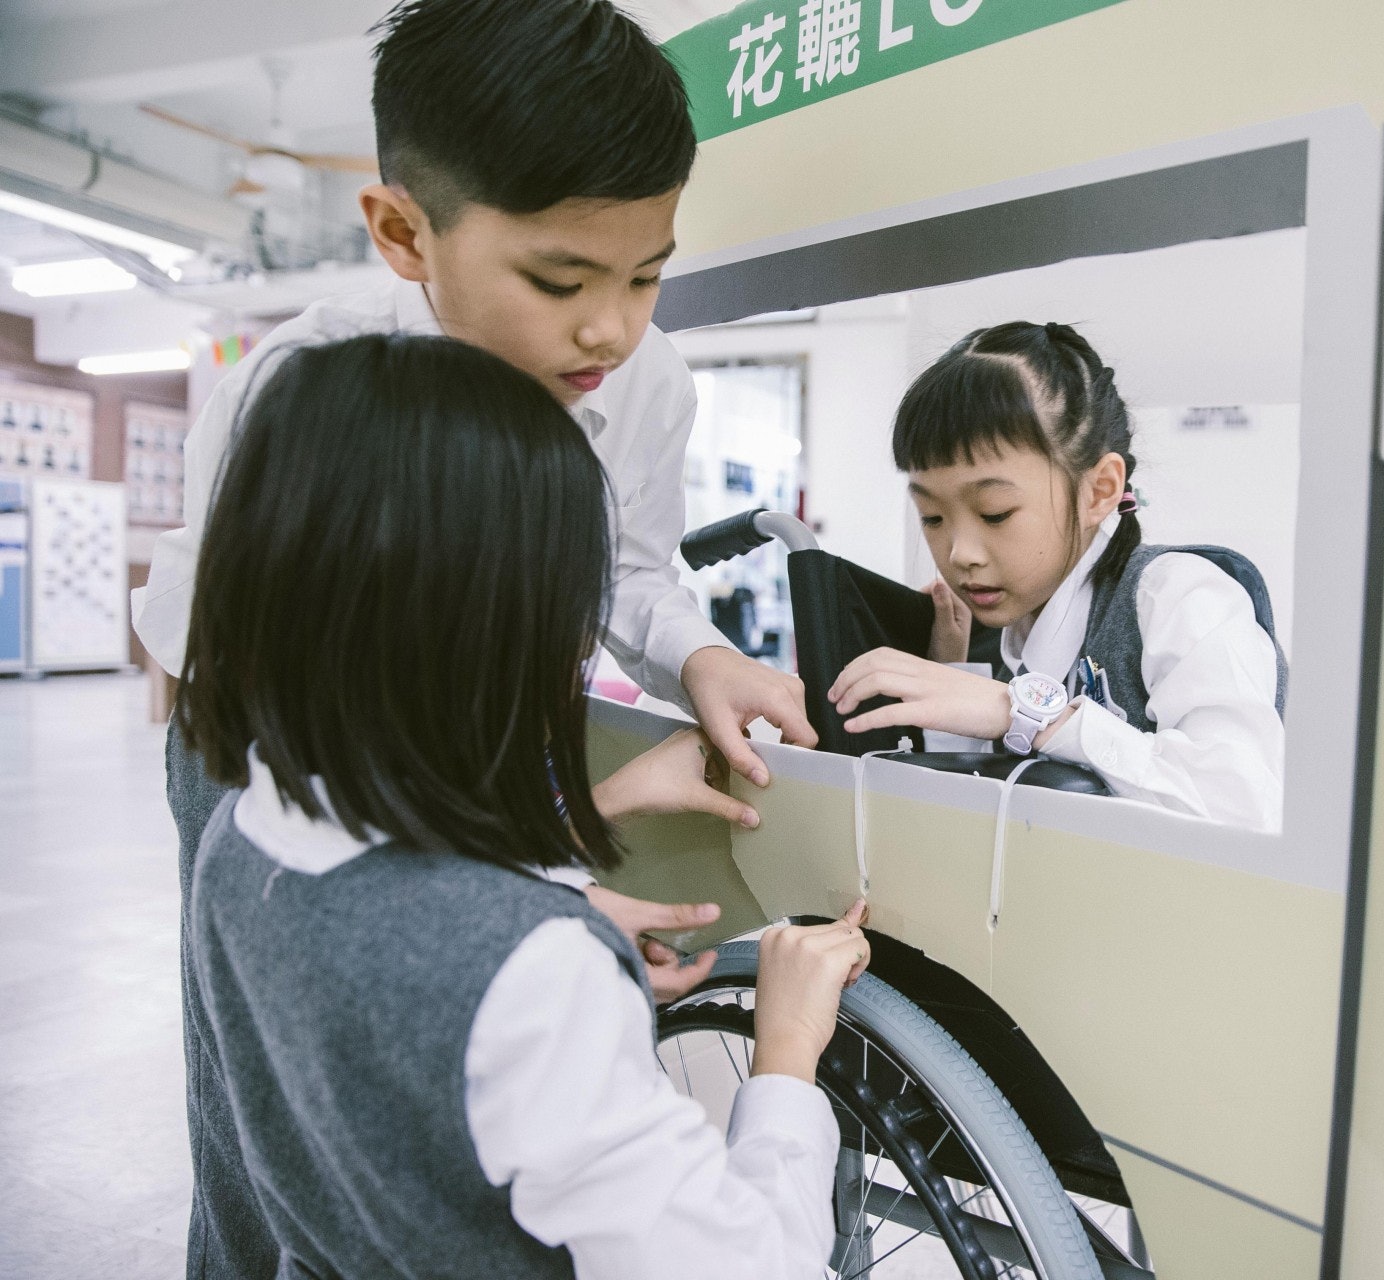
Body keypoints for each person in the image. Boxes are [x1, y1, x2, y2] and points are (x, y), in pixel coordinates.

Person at [131, 2, 815, 1273]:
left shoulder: (642, 381)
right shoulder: (306, 394)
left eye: (647, 272)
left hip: (464, 732)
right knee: (267, 1101)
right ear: (404, 232)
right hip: (270, 748)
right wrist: (511, 911)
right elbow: (263, 708)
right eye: (560, 279)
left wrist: (700, 656)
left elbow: (632, 574)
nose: (608, 327)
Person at [179, 333, 869, 1279]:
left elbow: (390, 939)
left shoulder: (238, 839)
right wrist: (786, 1055)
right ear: (502, 633)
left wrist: (572, 870)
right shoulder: (535, 978)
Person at [827, 321, 1288, 832]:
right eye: (932, 518)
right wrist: (953, 671)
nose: (959, 553)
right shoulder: (999, 638)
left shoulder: (1180, 597)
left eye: (995, 512)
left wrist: (1024, 713)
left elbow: (1243, 808)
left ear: (1099, 491)